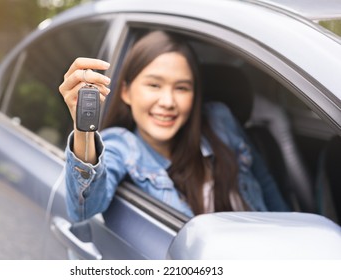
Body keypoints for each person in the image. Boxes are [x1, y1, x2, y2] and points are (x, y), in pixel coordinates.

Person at [59, 30, 289, 222]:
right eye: (154, 85)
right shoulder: (122, 144)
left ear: (195, 94)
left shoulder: (220, 119)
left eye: (181, 88)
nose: (168, 102)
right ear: (127, 92)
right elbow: (82, 209)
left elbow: (266, 185)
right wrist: (83, 128)